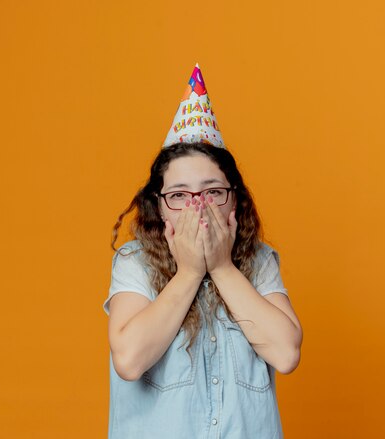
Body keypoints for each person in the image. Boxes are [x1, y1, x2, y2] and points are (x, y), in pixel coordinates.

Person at [103, 65, 303, 439]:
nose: (198, 208)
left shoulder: (258, 262)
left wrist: (223, 267)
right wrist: (191, 272)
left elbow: (286, 353)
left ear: (234, 202)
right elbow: (128, 360)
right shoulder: (136, 264)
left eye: (212, 192)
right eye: (179, 195)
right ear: (159, 207)